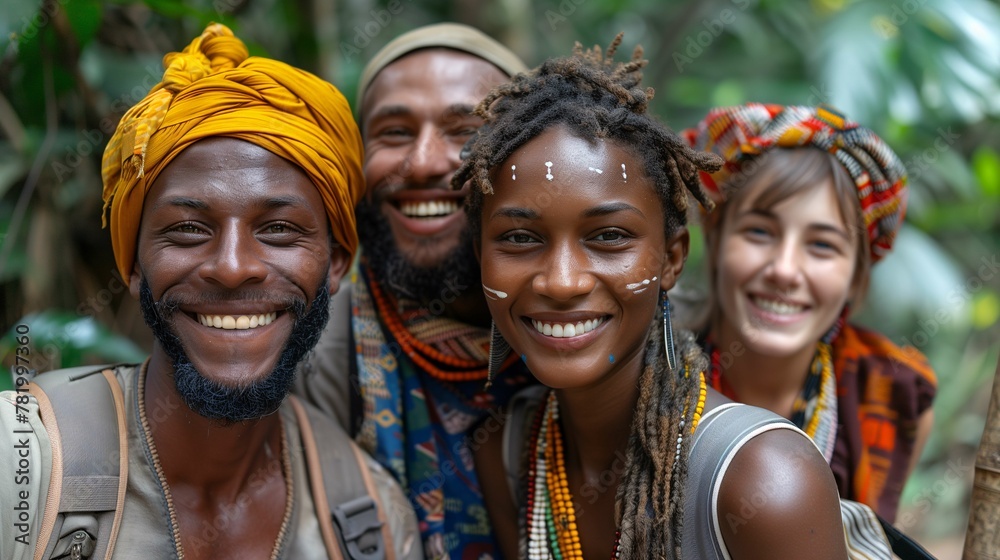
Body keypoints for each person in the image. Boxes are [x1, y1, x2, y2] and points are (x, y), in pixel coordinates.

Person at [0, 24, 420, 560]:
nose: (232, 267)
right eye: (189, 229)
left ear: (335, 264)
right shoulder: (22, 464)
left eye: (279, 230)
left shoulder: (372, 518)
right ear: (133, 266)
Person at [457, 37, 850, 559]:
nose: (562, 281)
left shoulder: (767, 481)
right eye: (520, 238)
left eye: (609, 236)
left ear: (671, 259)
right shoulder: (508, 452)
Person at [293, 23, 536, 559]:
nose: (424, 162)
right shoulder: (305, 354)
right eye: (395, 132)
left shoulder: (605, 329)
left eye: (465, 131)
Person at [682, 103, 937, 521]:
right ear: (715, 237)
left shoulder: (894, 394)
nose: (784, 269)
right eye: (759, 232)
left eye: (821, 245)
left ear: (857, 274)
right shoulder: (645, 370)